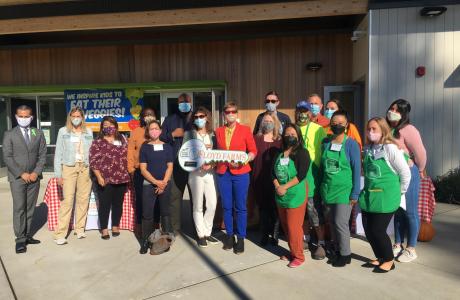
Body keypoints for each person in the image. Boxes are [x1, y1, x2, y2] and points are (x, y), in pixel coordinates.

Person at [360, 117, 411, 273]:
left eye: (374, 129)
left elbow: (405, 173)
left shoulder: (391, 149)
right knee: (368, 230)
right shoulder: (368, 149)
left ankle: (389, 260)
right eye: (369, 129)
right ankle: (380, 256)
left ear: (383, 130)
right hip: (369, 195)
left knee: (377, 230)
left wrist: (400, 191)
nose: (370, 132)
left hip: (386, 197)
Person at [386, 99, 427, 263]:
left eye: (396, 109)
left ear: (403, 114)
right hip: (393, 175)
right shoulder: (388, 129)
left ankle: (411, 247)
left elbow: (420, 153)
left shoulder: (408, 129)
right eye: (391, 107)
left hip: (409, 172)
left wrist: (420, 168)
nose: (392, 110)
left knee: (410, 211)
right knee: (398, 210)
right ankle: (397, 243)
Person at [2, 105, 47, 254]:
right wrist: (21, 173)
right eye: (20, 116)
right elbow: (7, 157)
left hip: (34, 177)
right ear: (16, 117)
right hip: (17, 178)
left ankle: (27, 235)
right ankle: (20, 239)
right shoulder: (9, 134)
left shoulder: (38, 133)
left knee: (30, 208)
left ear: (31, 117)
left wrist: (36, 172)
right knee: (20, 208)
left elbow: (42, 155)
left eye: (26, 116)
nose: (23, 119)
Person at [319, 110, 361, 267]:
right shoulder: (325, 142)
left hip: (344, 190)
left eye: (340, 124)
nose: (337, 126)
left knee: (340, 223)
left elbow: (357, 170)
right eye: (334, 123)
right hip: (328, 189)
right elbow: (323, 167)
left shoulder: (351, 145)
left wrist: (355, 193)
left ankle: (345, 255)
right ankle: (336, 250)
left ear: (346, 125)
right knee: (332, 222)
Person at [215, 101, 257, 254]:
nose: (230, 114)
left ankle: (240, 238)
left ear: (236, 113)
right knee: (226, 206)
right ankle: (230, 236)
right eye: (228, 112)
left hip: (241, 172)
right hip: (223, 172)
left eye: (233, 111)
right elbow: (216, 152)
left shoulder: (245, 130)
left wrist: (243, 160)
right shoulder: (218, 131)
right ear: (224, 115)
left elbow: (253, 151)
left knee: (240, 207)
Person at [53, 107, 93, 245]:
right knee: (68, 200)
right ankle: (60, 233)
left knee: (83, 199)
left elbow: (92, 152)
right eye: (74, 116)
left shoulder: (88, 132)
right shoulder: (63, 131)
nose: (76, 118)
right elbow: (58, 153)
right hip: (68, 168)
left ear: (82, 117)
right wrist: (58, 174)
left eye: (78, 116)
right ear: (70, 117)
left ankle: (80, 228)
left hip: (84, 168)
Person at [273, 123, 310, 268]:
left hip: (295, 194)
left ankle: (299, 256)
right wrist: (278, 186)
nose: (290, 137)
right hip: (281, 194)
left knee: (294, 227)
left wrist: (285, 187)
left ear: (298, 137)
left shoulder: (302, 153)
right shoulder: (279, 153)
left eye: (293, 134)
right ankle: (292, 252)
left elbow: (301, 174)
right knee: (286, 226)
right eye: (287, 134)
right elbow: (272, 173)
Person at [295, 100, 327, 260]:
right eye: (299, 111)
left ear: (310, 112)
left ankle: (321, 243)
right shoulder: (293, 129)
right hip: (296, 174)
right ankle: (306, 239)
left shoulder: (318, 129)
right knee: (302, 210)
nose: (302, 114)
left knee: (314, 209)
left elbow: (323, 152)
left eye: (305, 111)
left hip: (312, 174)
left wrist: (321, 172)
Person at [183, 107, 219, 248]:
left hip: (210, 173)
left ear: (207, 117)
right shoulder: (189, 134)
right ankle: (201, 235)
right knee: (197, 205)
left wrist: (212, 165)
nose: (199, 119)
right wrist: (195, 165)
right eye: (196, 116)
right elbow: (183, 156)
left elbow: (217, 154)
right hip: (195, 173)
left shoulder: (213, 134)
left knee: (212, 204)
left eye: (201, 116)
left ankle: (207, 231)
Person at [89, 116, 130, 240]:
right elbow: (93, 161)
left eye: (111, 124)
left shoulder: (123, 139)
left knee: (118, 204)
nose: (108, 127)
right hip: (105, 178)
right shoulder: (98, 142)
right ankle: (104, 228)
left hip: (121, 177)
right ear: (102, 127)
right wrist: (98, 176)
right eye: (105, 125)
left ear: (116, 126)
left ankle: (115, 225)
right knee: (105, 205)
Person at [139, 120, 174, 254]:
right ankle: (145, 242)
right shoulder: (145, 147)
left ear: (160, 131)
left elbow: (170, 166)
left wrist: (163, 183)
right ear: (148, 131)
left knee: (165, 213)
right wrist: (156, 182)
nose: (154, 131)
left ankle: (165, 241)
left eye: (156, 128)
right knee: (147, 215)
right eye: (151, 129)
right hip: (149, 184)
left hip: (165, 184)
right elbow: (143, 169)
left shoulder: (167, 147)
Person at [160, 93, 194, 232]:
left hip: (194, 165)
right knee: (175, 197)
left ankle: (199, 230)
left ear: (191, 103)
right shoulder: (169, 120)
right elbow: (161, 137)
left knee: (197, 199)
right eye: (181, 102)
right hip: (175, 164)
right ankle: (175, 229)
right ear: (178, 104)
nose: (184, 104)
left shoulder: (196, 118)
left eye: (187, 102)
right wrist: (173, 135)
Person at [252, 112, 282, 246]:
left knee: (275, 207)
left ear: (275, 123)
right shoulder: (255, 139)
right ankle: (264, 233)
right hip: (259, 177)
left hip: (275, 179)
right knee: (263, 207)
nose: (267, 123)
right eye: (265, 121)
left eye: (270, 121)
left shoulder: (280, 141)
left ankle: (275, 234)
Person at [128, 107, 156, 235]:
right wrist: (131, 169)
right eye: (146, 115)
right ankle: (139, 224)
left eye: (151, 114)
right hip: (139, 171)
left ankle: (156, 224)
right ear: (141, 117)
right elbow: (130, 151)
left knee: (156, 198)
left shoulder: (156, 131)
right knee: (140, 199)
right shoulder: (136, 132)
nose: (148, 117)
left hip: (155, 171)